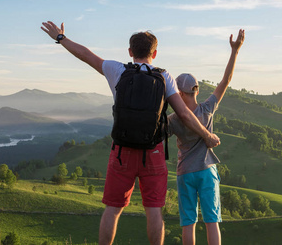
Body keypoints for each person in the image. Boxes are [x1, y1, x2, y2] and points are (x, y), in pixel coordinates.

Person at [40, 21, 221, 245]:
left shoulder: (117, 70)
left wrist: (61, 39)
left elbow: (86, 55)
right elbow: (183, 113)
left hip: (121, 152)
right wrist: (207, 135)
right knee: (154, 210)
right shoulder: (164, 77)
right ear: (155, 53)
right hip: (152, 153)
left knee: (113, 209)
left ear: (130, 52)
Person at [167, 29, 245, 245]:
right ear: (196, 91)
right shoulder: (208, 108)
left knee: (188, 223)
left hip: (185, 173)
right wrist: (235, 51)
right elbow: (226, 80)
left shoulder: (173, 119)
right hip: (207, 170)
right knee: (212, 221)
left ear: (180, 94)